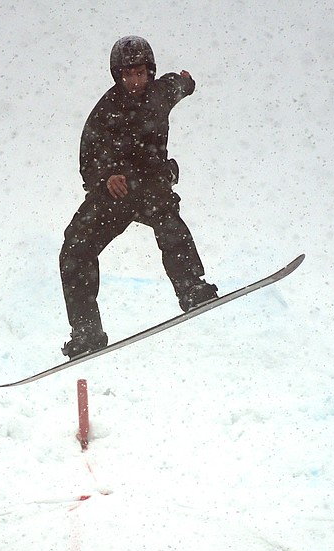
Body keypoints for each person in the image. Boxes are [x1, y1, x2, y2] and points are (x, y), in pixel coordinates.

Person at [57, 35, 218, 359]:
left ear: (151, 72)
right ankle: (87, 331)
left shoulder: (162, 92)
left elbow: (182, 85)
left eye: (141, 72)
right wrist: (105, 179)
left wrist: (189, 83)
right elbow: (87, 160)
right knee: (74, 248)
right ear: (118, 75)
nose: (135, 80)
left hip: (151, 186)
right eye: (128, 74)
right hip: (116, 194)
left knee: (170, 227)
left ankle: (192, 290)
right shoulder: (105, 111)